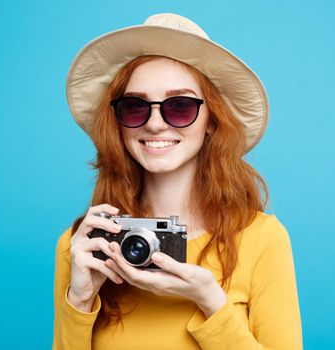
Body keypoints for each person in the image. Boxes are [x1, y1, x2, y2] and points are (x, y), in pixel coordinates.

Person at [53, 13, 302, 350]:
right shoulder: (85, 245)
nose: (155, 124)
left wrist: (210, 301)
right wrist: (79, 301)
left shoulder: (261, 239)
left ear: (212, 120)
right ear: (119, 123)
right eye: (135, 107)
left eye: (180, 106)